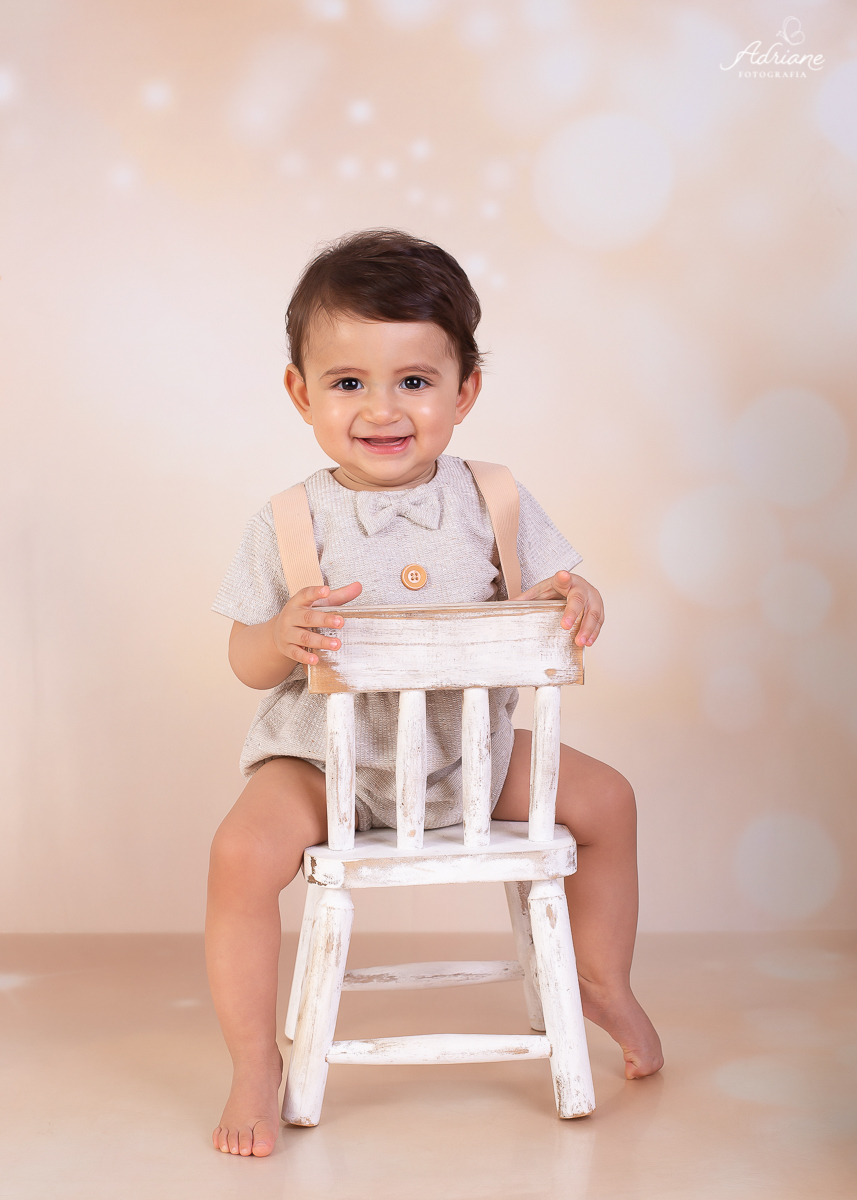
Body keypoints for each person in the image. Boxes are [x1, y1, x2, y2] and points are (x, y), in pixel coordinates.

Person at [208, 229, 663, 1157]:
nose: (382, 408)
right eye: (348, 382)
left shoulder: (494, 498)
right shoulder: (288, 519)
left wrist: (575, 597)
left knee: (608, 799)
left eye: (414, 380)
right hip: (322, 764)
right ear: (300, 392)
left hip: (469, 758)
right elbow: (245, 661)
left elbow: (549, 594)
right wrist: (278, 634)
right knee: (239, 855)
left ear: (464, 392)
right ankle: (253, 1059)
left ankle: (600, 979)